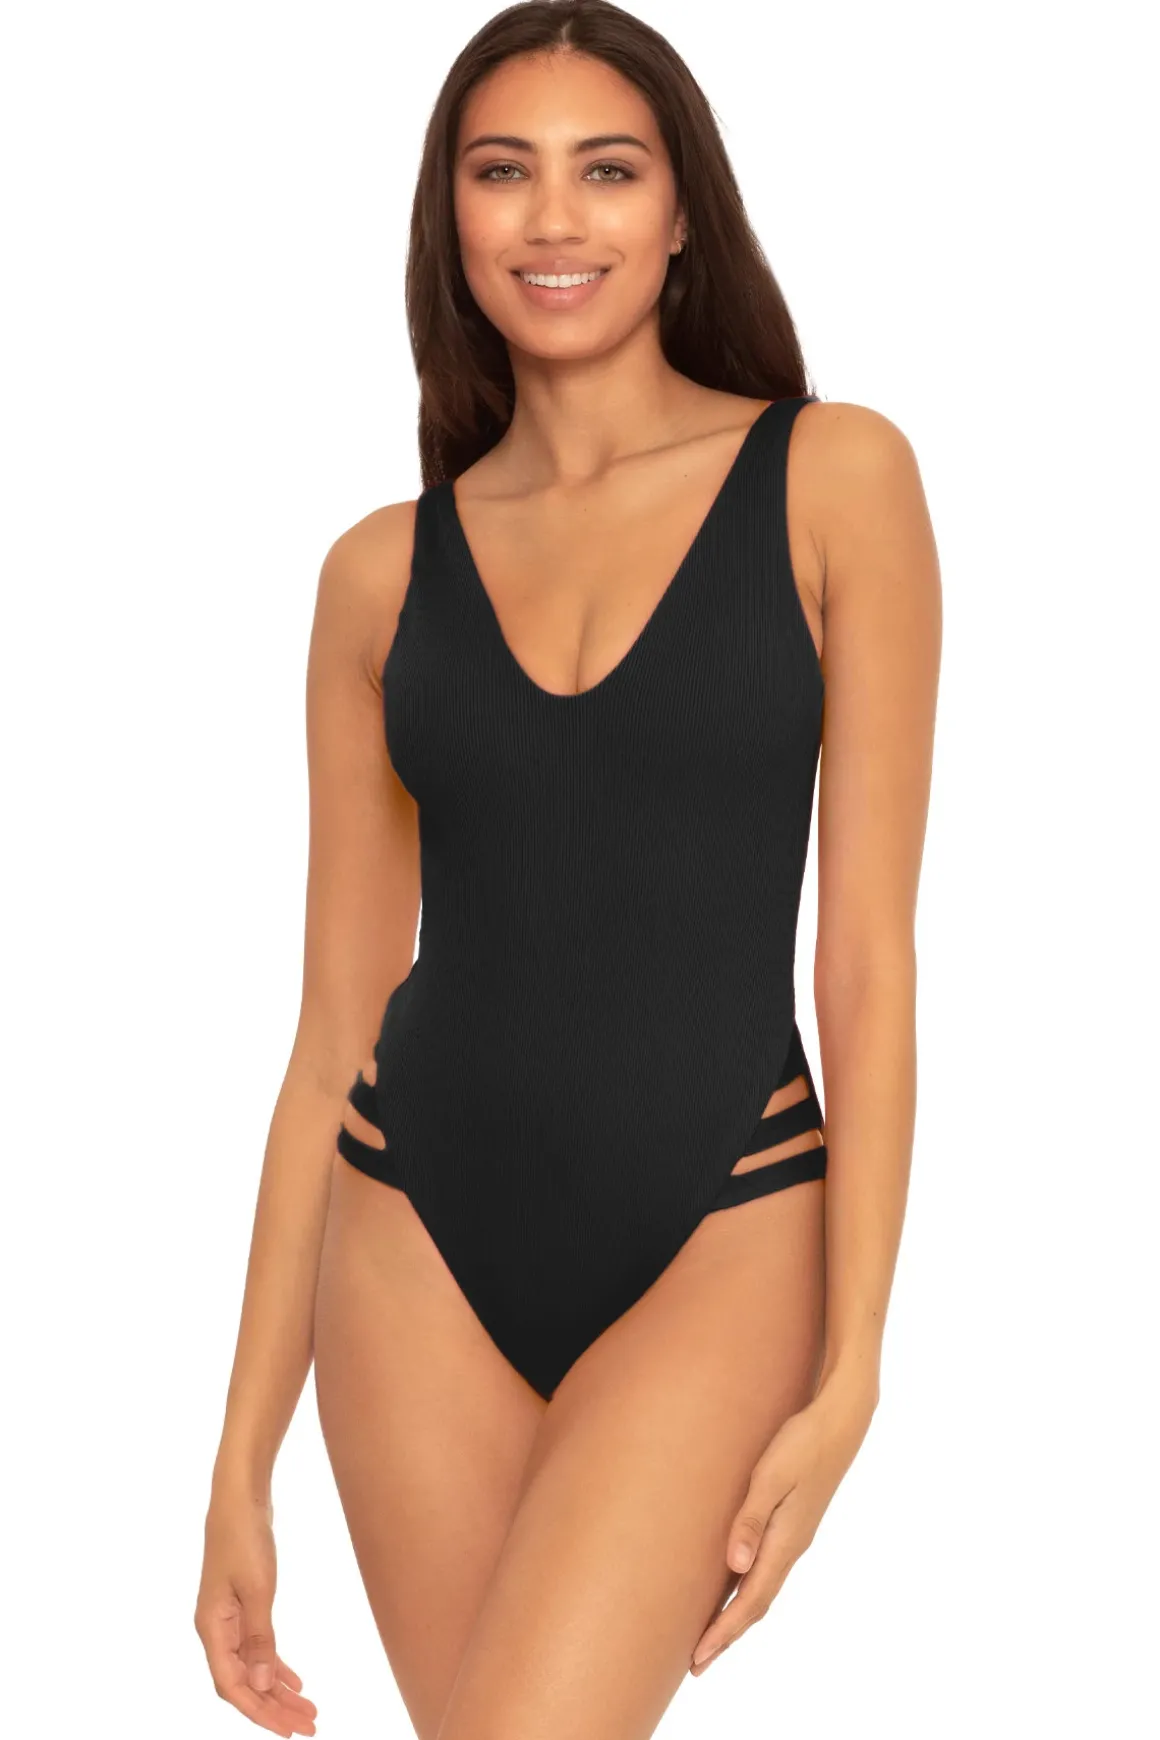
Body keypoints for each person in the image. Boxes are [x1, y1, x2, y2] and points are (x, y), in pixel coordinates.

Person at [195, 3, 941, 1735]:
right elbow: (330, 1031)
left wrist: (855, 1368)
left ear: (682, 215)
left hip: (726, 1224)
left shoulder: (834, 477)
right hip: (411, 1238)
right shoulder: (379, 577)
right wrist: (239, 1460)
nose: (553, 218)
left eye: (606, 171)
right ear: (450, 220)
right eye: (502, 172)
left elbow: (869, 960)